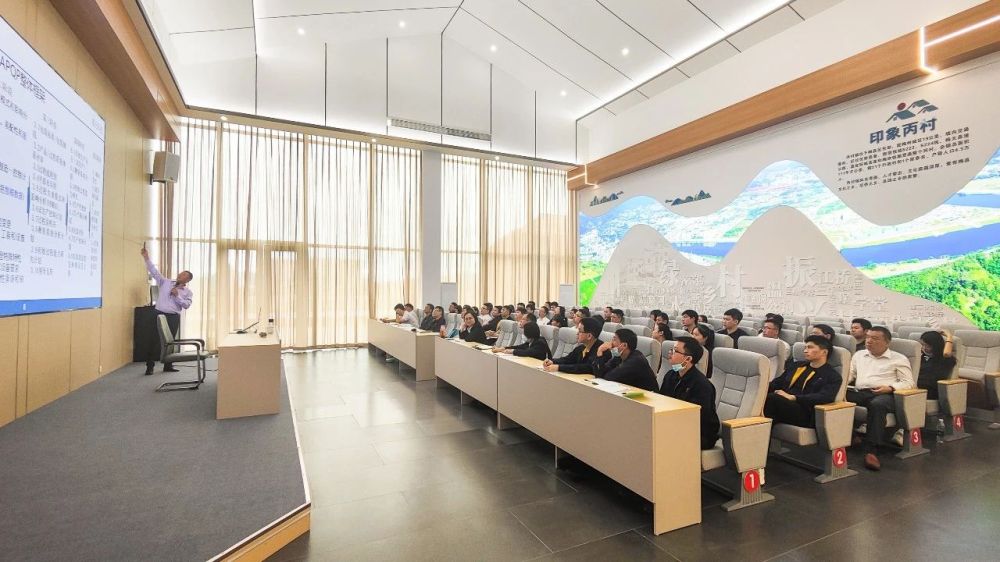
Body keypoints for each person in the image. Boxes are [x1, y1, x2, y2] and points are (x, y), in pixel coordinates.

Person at [847, 326, 914, 471]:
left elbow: (909, 383)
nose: (869, 341)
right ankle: (851, 436)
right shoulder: (859, 355)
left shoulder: (898, 358)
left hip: (885, 394)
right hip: (861, 391)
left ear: (887, 342)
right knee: (834, 396)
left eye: (875, 338)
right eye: (868, 337)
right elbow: (850, 375)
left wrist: (890, 387)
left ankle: (871, 450)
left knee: (877, 405)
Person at [764, 336, 841, 427]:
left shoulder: (832, 376)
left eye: (810, 347)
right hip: (784, 404)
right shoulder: (796, 366)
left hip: (805, 412)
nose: (805, 351)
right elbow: (777, 383)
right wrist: (761, 390)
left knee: (772, 399)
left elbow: (824, 397)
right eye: (805, 347)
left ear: (824, 352)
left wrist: (794, 397)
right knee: (763, 396)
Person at [658, 337, 721, 449]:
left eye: (675, 350)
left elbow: (696, 418)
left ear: (687, 359)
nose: (670, 352)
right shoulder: (670, 375)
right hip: (676, 425)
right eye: (672, 349)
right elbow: (661, 401)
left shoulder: (702, 385)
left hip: (700, 434)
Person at [140, 247, 193, 376]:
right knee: (153, 340)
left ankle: (168, 365)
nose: (180, 275)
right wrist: (146, 257)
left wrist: (177, 296)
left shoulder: (187, 292)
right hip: (158, 314)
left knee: (170, 342)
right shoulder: (166, 282)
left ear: (187, 280)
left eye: (183, 275)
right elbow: (154, 271)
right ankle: (150, 366)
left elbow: (186, 305)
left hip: (173, 317)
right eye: (180, 273)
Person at [591, 329, 658, 391]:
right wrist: (599, 353)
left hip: (649, 396)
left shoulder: (636, 361)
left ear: (624, 345)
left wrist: (603, 372)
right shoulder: (619, 357)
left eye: (614, 340)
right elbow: (599, 374)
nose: (611, 343)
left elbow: (609, 378)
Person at [916, 330, 957, 401]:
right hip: (917, 387)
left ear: (935, 346)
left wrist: (949, 336)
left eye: (928, 346)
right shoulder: (923, 357)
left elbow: (946, 353)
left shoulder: (944, 359)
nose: (924, 348)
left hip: (930, 390)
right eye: (922, 345)